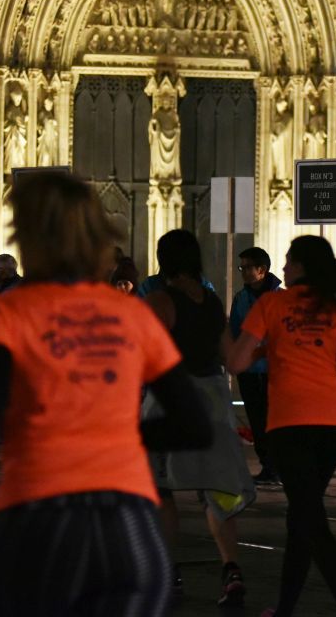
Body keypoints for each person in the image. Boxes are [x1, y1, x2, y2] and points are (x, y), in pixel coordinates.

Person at [0, 172, 212, 617]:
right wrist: (120, 437)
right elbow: (193, 422)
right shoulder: (131, 315)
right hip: (129, 522)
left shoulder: (5, 312)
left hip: (40, 515)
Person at [228, 235, 336, 617]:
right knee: (301, 517)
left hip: (289, 422)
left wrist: (245, 343)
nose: (282, 268)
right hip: (331, 423)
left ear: (300, 266)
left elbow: (235, 361)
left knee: (310, 517)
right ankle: (284, 607)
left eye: (287, 261)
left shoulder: (272, 303)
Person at [143, 230, 255, 608]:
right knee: (216, 491)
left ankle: (167, 571)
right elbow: (232, 357)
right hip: (213, 401)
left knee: (162, 491)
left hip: (172, 400)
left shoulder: (160, 300)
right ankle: (232, 570)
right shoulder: (211, 301)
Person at [228, 246, 282, 484]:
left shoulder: (280, 298)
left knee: (276, 419)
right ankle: (267, 466)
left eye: (248, 267)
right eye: (242, 267)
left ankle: (278, 466)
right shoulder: (241, 298)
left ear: (263, 270)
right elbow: (236, 331)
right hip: (250, 370)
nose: (244, 272)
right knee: (257, 420)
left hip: (274, 370)